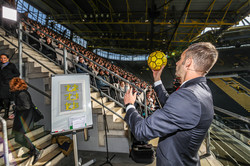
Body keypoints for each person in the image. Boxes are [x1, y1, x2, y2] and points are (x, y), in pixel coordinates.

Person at [124, 42, 218, 166]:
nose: (177, 62)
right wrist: (157, 79)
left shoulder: (188, 97)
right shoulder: (201, 90)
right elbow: (172, 106)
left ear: (188, 62)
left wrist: (130, 105)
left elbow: (142, 131)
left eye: (180, 59)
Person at [9, 77, 41, 165]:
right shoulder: (20, 93)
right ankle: (32, 150)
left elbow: (26, 106)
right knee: (18, 136)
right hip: (22, 116)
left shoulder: (22, 94)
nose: (10, 87)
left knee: (19, 137)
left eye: (12, 85)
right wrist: (15, 113)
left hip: (25, 117)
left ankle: (35, 151)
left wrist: (15, 108)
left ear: (16, 85)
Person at [0, 54, 20, 119]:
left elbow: (17, 74)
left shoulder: (11, 65)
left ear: (8, 59)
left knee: (6, 99)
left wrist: (9, 77)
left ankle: (6, 113)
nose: (3, 60)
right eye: (1, 58)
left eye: (4, 58)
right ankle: (2, 107)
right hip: (1, 84)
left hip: (7, 85)